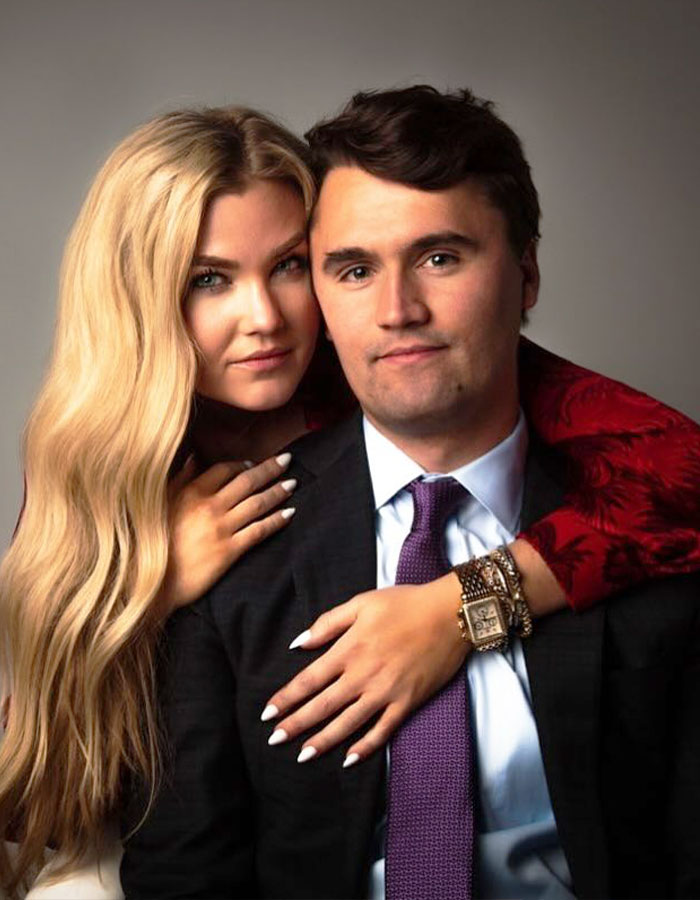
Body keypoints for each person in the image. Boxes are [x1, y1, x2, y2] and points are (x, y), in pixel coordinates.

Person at [1, 98, 697, 898]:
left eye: (292, 266)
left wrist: (460, 607)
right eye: (208, 280)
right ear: (139, 299)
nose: (263, 318)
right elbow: (42, 793)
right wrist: (145, 590)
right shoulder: (98, 464)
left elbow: (683, 472)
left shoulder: (396, 361)